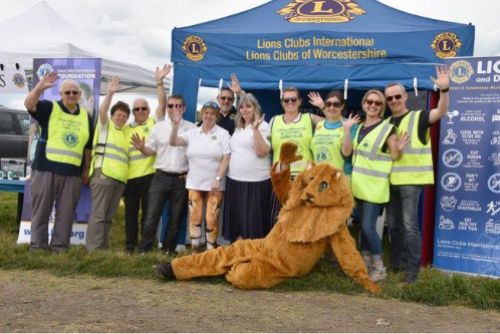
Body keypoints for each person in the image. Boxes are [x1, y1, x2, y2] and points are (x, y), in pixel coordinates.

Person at [384, 65, 450, 283]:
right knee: (393, 225)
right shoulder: (385, 124)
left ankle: (412, 271)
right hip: (390, 183)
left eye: (397, 96)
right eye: (390, 98)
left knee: (410, 225)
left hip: (411, 182)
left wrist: (444, 90)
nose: (394, 100)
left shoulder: (419, 117)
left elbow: (441, 112)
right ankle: (396, 265)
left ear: (405, 96)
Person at [343, 90, 408, 282]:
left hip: (375, 187)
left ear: (382, 107)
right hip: (358, 186)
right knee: (363, 228)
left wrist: (400, 149)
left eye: (378, 103)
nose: (373, 105)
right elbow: (347, 152)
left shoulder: (388, 128)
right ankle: (366, 265)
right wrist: (347, 130)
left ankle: (380, 268)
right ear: (363, 104)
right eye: (369, 102)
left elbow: (395, 155)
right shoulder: (359, 127)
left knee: (368, 227)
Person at [24, 72, 92, 252]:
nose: (71, 95)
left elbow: (87, 147)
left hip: (73, 174)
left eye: (75, 92)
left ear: (79, 95)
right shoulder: (49, 107)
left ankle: (60, 248)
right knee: (41, 211)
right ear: (61, 94)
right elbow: (29, 104)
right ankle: (38, 247)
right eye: (67, 92)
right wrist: (39, 87)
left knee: (66, 214)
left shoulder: (85, 116)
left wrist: (86, 169)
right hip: (46, 169)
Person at [132, 94, 196, 255]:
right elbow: (149, 151)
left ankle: (169, 249)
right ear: (167, 108)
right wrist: (141, 147)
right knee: (152, 214)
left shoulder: (192, 128)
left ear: (184, 108)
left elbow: (196, 155)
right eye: (170, 106)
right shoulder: (158, 127)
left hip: (181, 179)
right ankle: (144, 249)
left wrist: (190, 172)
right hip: (160, 177)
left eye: (177, 106)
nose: (173, 109)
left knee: (176, 217)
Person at [170, 101, 231, 253]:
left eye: (212, 113)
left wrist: (218, 179)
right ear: (202, 114)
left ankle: (211, 252)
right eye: (206, 113)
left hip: (215, 186)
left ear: (216, 116)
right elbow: (174, 142)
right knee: (195, 217)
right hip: (194, 183)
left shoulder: (223, 133)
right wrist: (175, 126)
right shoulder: (192, 133)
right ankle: (195, 251)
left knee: (211, 218)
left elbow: (226, 157)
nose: (209, 116)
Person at [122, 64, 170, 254]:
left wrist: (159, 82)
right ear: (132, 112)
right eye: (137, 109)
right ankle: (129, 246)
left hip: (150, 176)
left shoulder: (153, 122)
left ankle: (145, 246)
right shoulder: (126, 129)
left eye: (143, 108)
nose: (140, 111)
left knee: (149, 215)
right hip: (130, 178)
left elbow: (163, 104)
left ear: (148, 111)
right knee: (130, 214)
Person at [85, 77, 130, 251]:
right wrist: (110, 92)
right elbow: (102, 111)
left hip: (118, 180)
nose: (121, 118)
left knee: (108, 216)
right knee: (99, 215)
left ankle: (102, 248)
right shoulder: (106, 125)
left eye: (124, 116)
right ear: (112, 116)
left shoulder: (124, 133)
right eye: (119, 115)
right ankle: (93, 250)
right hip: (103, 175)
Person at [223, 93, 273, 242]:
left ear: (255, 108)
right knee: (237, 221)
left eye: (248, 106)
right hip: (235, 181)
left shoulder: (263, 125)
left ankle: (252, 257)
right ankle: (238, 254)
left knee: (252, 223)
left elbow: (262, 152)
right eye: (242, 107)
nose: (245, 110)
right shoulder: (238, 127)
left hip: (256, 183)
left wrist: (256, 130)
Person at [268, 87, 322, 225]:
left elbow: (334, 122)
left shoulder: (308, 118)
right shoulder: (274, 121)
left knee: (302, 220)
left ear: (299, 102)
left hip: (304, 179)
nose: (290, 102)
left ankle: (301, 246)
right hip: (281, 178)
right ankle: (279, 247)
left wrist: (322, 106)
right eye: (286, 100)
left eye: (293, 99)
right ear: (282, 103)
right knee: (279, 219)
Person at [307, 90, 358, 173]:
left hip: (339, 177)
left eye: (336, 104)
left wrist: (347, 131)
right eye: (328, 104)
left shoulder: (350, 125)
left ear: (342, 106)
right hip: (319, 175)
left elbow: (347, 153)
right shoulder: (320, 125)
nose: (331, 107)